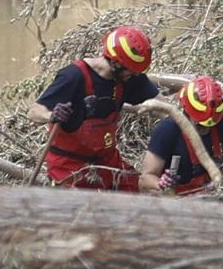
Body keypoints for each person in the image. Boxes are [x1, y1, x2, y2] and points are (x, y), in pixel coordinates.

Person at [28, 25, 158, 191]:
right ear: (116, 63)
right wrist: (51, 115)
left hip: (107, 162)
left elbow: (162, 102)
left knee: (135, 189)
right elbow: (34, 112)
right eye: (131, 72)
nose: (134, 76)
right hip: (70, 168)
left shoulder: (128, 78)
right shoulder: (74, 76)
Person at [139, 75, 223, 196]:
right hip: (176, 201)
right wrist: (160, 184)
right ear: (187, 111)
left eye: (210, 124)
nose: (205, 128)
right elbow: (145, 179)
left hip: (215, 197)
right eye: (200, 123)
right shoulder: (167, 130)